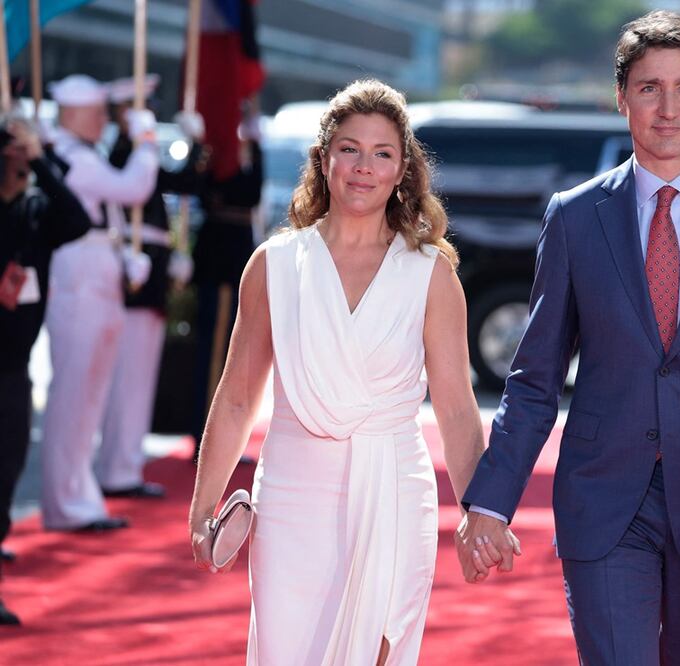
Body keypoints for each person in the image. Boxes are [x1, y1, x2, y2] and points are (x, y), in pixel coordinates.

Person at [457, 11, 680, 664]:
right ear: (621, 99)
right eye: (649, 87)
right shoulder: (574, 217)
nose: (667, 106)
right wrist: (491, 499)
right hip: (604, 499)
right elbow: (534, 379)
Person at [188, 79, 509, 665]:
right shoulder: (275, 265)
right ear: (324, 158)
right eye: (350, 148)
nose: (364, 166)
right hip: (291, 498)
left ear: (402, 170)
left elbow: (459, 410)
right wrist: (202, 506)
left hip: (393, 492)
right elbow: (236, 396)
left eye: (382, 152)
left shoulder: (431, 273)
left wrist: (478, 513)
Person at [39, 74, 157, 532]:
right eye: (97, 113)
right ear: (73, 116)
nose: (104, 121)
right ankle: (65, 503)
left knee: (89, 398)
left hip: (96, 277)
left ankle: (78, 497)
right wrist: (147, 140)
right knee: (74, 396)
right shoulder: (72, 157)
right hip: (78, 285)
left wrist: (123, 257)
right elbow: (133, 189)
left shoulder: (81, 154)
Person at [0, 116, 92, 625]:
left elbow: (77, 218)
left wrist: (39, 158)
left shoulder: (37, 210)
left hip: (13, 369)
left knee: (6, 472)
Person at [96, 76, 205, 499]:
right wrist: (141, 138)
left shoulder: (138, 153)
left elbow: (181, 184)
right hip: (134, 273)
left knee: (138, 377)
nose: (149, 115)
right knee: (127, 377)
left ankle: (124, 464)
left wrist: (196, 146)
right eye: (139, 108)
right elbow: (136, 186)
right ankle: (117, 468)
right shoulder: (124, 153)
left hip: (152, 268)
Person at [189, 106, 263, 463]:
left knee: (234, 357)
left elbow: (252, 193)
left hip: (232, 261)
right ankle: (207, 436)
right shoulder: (217, 156)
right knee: (216, 353)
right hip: (221, 262)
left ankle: (222, 438)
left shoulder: (240, 154)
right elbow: (240, 191)